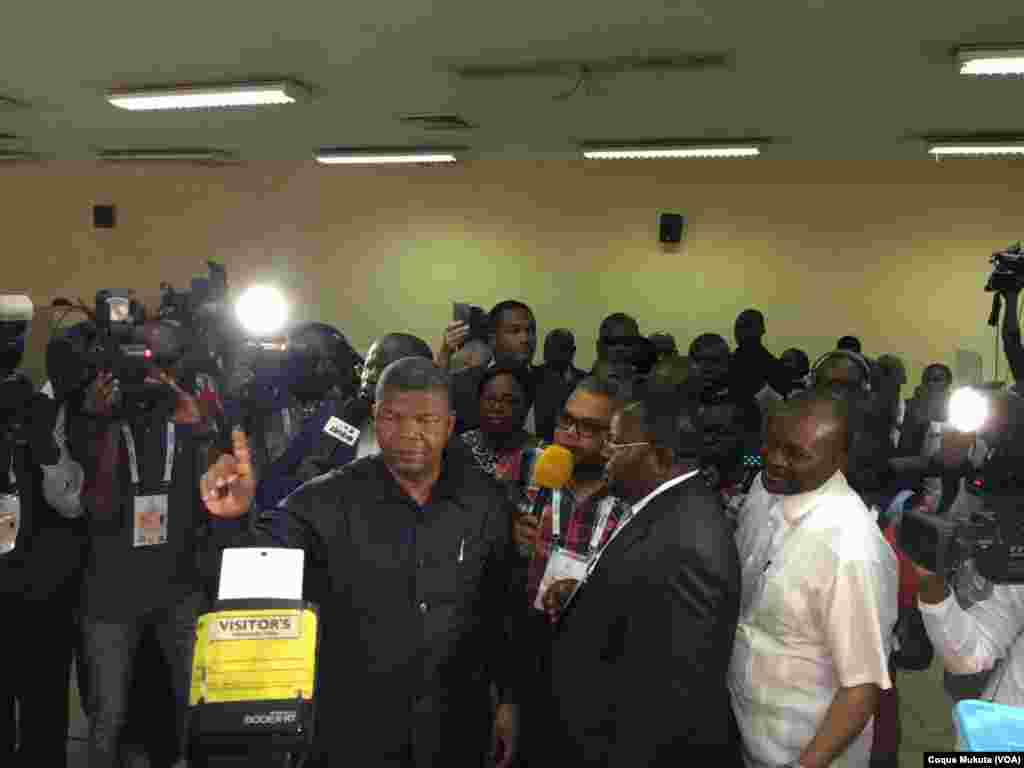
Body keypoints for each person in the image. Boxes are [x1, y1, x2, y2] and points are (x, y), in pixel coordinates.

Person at [201, 357, 526, 767]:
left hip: (454, 726)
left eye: (426, 419)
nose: (409, 433)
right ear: (375, 415)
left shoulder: (484, 502)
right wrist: (233, 518)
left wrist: (508, 700)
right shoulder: (324, 501)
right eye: (393, 417)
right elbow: (255, 567)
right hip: (354, 731)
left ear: (449, 425)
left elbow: (502, 607)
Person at [529, 391, 742, 765]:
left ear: (660, 457)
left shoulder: (690, 538)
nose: (606, 452)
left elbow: (676, 687)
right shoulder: (661, 508)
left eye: (615, 443)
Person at [75, 319, 218, 768]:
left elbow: (219, 502)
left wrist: (199, 429)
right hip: (110, 593)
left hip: (178, 586)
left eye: (166, 364)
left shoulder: (191, 421)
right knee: (109, 716)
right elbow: (93, 506)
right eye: (143, 362)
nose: (154, 375)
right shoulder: (98, 418)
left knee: (195, 704)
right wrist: (99, 423)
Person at [730, 391, 898, 768]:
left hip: (806, 752)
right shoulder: (766, 491)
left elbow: (861, 688)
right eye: (771, 444)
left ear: (840, 460)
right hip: (750, 736)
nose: (775, 460)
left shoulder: (850, 551)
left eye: (796, 454)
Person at [0, 299, 88, 768]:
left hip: (42, 593)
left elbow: (72, 502)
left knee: (45, 713)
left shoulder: (44, 411)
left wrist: (45, 450)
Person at [513, 377, 631, 616]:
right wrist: (508, 534)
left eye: (587, 427)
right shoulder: (527, 464)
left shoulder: (629, 495)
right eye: (566, 420)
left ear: (613, 438)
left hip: (587, 626)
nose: (569, 433)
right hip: (517, 619)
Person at [224, 322, 364, 511]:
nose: (324, 368)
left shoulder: (343, 415)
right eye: (305, 359)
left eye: (328, 362)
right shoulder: (266, 397)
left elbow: (326, 470)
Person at [441, 300, 539, 434]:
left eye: (530, 330)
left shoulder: (551, 383)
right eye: (515, 331)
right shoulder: (462, 384)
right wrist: (445, 353)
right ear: (492, 339)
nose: (526, 339)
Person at [460, 365, 541, 484]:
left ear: (526, 406)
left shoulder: (541, 457)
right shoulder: (459, 448)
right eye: (490, 399)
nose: (497, 407)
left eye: (508, 401)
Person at [730, 309, 788, 432]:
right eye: (737, 327)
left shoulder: (774, 366)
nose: (739, 332)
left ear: (761, 330)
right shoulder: (728, 362)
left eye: (746, 326)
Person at [534, 329, 585, 442]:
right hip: (539, 442)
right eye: (550, 348)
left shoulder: (584, 380)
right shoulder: (533, 376)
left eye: (560, 348)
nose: (554, 354)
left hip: (573, 441)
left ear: (572, 351)